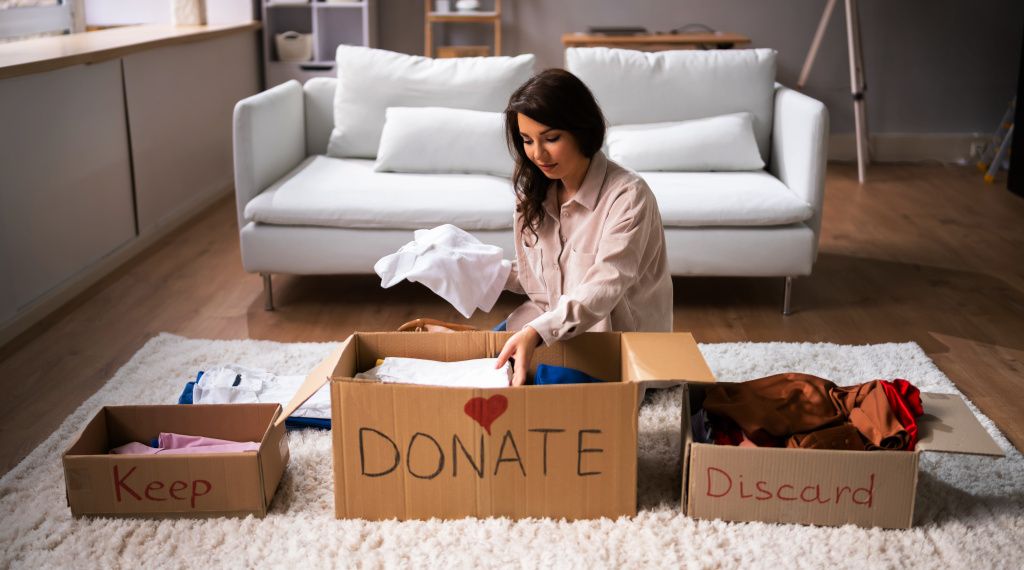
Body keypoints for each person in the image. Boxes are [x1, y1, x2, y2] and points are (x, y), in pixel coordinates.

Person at [494, 69, 673, 386]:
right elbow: (538, 280)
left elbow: (604, 287)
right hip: (555, 328)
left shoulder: (629, 196)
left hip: (613, 347)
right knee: (485, 359)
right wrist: (474, 268)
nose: (538, 154)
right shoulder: (534, 194)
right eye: (527, 141)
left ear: (582, 131)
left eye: (551, 139)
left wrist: (536, 332)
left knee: (529, 382)